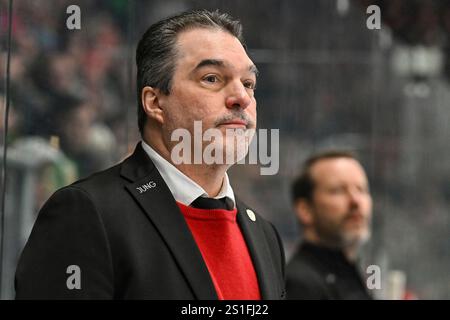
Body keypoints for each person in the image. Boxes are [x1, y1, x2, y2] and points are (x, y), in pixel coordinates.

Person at [14, 9, 285, 300]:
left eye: (248, 84)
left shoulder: (264, 235)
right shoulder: (86, 214)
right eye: (212, 78)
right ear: (155, 103)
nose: (242, 98)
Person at [286, 151, 373, 299]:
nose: (355, 201)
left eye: (361, 189)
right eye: (338, 190)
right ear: (305, 210)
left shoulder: (349, 274)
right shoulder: (300, 285)